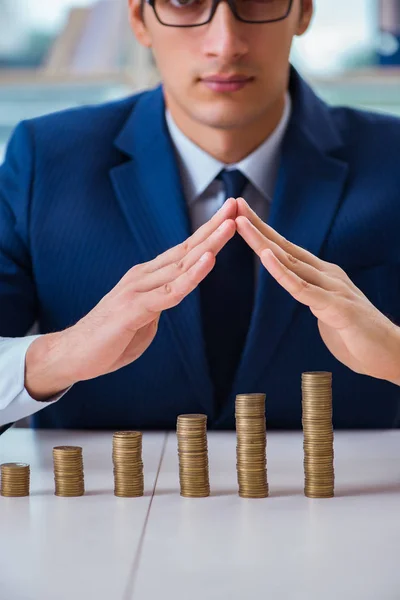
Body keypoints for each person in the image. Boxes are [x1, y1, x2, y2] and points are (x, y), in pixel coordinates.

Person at [1, 0, 400, 432]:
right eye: (184, 3)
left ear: (303, 12)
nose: (225, 45)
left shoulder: (392, 159)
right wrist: (57, 357)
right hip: (103, 498)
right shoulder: (45, 159)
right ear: (139, 19)